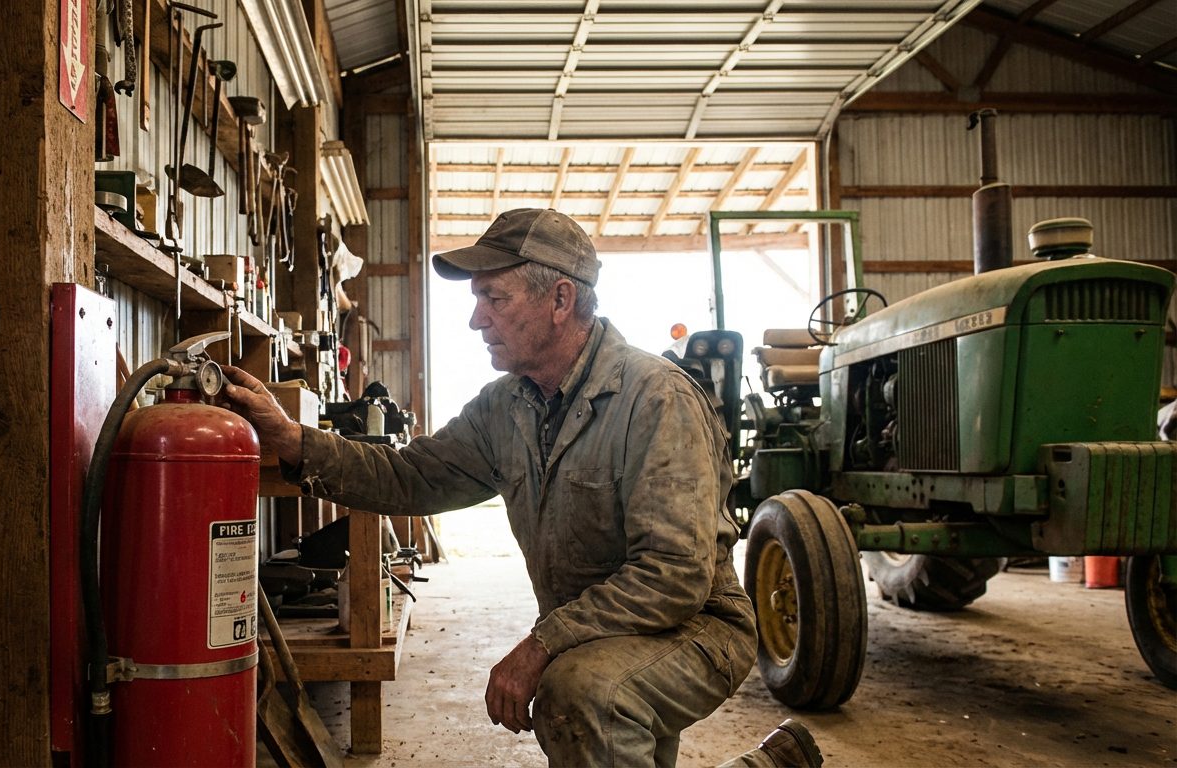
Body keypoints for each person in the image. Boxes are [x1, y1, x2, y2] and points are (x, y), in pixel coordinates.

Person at [220, 208, 822, 768]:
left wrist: (541, 644)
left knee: (580, 692)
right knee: (591, 699)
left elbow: (673, 576)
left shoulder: (656, 399)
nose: (476, 317)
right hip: (602, 627)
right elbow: (412, 477)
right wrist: (293, 441)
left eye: (493, 297)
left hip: (695, 626)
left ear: (560, 299)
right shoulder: (506, 406)